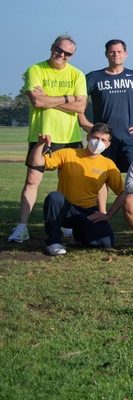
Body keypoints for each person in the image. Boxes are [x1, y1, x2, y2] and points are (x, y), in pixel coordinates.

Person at [9, 35, 87, 244]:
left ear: (72, 55)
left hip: (70, 137)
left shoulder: (77, 75)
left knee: (69, 184)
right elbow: (36, 100)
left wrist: (49, 99)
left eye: (67, 53)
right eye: (59, 50)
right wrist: (67, 97)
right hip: (42, 135)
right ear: (52, 47)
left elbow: (80, 106)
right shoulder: (35, 70)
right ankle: (22, 227)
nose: (61, 55)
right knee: (31, 182)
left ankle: (67, 226)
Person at [29, 124, 126, 255]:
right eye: (95, 138)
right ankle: (53, 242)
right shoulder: (68, 154)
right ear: (88, 137)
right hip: (65, 209)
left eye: (103, 140)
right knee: (54, 197)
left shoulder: (108, 165)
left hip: (88, 211)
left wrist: (108, 214)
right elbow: (35, 162)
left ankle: (79, 235)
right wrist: (40, 144)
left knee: (106, 243)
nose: (98, 142)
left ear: (108, 144)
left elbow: (122, 192)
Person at [82, 39, 133, 173]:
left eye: (119, 51)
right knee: (99, 177)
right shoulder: (94, 77)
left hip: (130, 138)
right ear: (106, 54)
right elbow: (78, 100)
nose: (116, 54)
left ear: (125, 54)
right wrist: (84, 122)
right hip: (103, 138)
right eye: (112, 52)